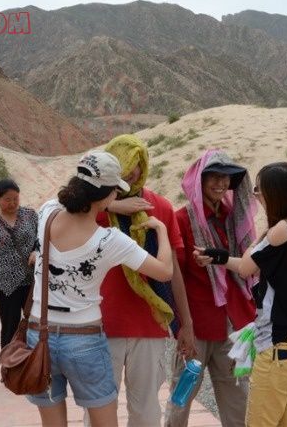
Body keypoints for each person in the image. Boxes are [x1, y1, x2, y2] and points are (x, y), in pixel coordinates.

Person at [26, 151, 174, 427]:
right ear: (108, 196)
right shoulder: (110, 240)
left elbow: (60, 199)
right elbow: (165, 272)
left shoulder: (46, 213)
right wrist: (162, 231)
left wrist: (109, 204)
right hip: (83, 338)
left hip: (39, 332)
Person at [196, 161, 287, 427]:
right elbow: (252, 264)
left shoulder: (281, 230)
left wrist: (263, 233)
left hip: (278, 350)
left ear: (274, 194)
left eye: (258, 191)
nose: (256, 197)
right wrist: (218, 257)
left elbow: (246, 267)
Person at [95, 134, 195, 427]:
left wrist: (186, 323)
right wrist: (110, 207)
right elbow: (57, 212)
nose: (132, 171)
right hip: (101, 324)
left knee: (146, 411)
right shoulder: (89, 207)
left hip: (149, 324)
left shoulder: (159, 206)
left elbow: (172, 270)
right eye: (125, 163)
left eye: (138, 163)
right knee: (99, 410)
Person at [165, 149, 258, 427]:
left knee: (238, 397)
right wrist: (182, 326)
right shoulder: (181, 220)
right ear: (200, 181)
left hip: (233, 324)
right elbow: (174, 277)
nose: (221, 183)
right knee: (181, 396)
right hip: (196, 325)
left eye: (226, 177)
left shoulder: (234, 219)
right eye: (214, 177)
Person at [0, 179, 39, 348]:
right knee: (9, 328)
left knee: (35, 326)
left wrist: (37, 251)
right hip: (6, 285)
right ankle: (9, 362)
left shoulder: (30, 215)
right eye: (7, 199)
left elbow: (42, 239)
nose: (12, 203)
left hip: (33, 281)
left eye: (16, 198)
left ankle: (35, 361)